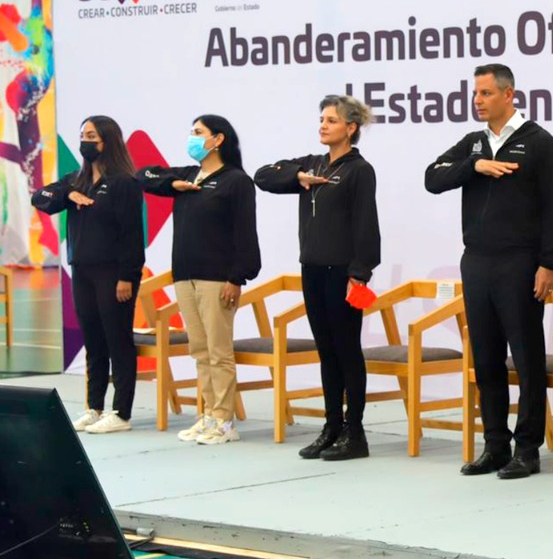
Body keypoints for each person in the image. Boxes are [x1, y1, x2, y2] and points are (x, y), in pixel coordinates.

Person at [426, 65, 553, 479]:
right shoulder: (474, 143)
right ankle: (495, 445)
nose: (478, 100)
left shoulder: (539, 142)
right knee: (486, 358)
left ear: (509, 95)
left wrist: (549, 263)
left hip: (519, 261)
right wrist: (475, 166)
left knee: (525, 359)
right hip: (477, 260)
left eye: (486, 93)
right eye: (476, 93)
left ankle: (528, 449)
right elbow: (433, 178)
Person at [254, 96, 381, 461]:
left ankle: (355, 432)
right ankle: (331, 427)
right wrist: (296, 177)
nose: (323, 125)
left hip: (343, 274)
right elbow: (263, 175)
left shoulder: (359, 170)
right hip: (312, 269)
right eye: (322, 119)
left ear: (351, 128)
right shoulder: (312, 163)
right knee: (326, 351)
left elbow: (366, 224)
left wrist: (359, 273)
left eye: (332, 120)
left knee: (346, 351)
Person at [139, 115, 261, 445]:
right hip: (185, 275)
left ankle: (224, 420)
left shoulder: (236, 181)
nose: (192, 138)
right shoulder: (187, 176)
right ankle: (207, 415)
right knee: (200, 350)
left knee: (218, 351)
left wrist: (237, 277)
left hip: (217, 278)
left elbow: (245, 233)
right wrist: (172, 185)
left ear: (218, 139)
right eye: (191, 132)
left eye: (198, 132)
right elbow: (143, 175)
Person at [32, 115, 144, 434]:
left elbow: (132, 233)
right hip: (82, 270)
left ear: (107, 141)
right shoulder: (75, 181)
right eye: (82, 135)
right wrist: (67, 195)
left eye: (91, 136)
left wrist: (128, 275)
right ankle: (94, 407)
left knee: (117, 340)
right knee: (93, 341)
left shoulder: (124, 182)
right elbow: (39, 198)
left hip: (114, 273)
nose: (85, 141)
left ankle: (121, 412)